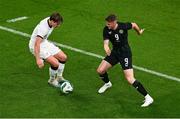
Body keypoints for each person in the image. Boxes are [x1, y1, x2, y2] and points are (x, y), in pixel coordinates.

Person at [97, 14, 153, 107]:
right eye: (107, 23)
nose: (107, 25)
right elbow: (106, 42)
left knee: (130, 78)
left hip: (125, 53)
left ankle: (148, 97)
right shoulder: (106, 29)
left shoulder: (123, 26)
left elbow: (134, 24)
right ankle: (107, 84)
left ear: (115, 22)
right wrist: (106, 47)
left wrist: (139, 32)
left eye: (109, 24)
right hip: (115, 52)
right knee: (100, 70)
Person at [29, 12, 67, 87]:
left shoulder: (51, 20)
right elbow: (36, 44)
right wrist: (38, 59)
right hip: (35, 46)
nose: (58, 26)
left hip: (44, 43)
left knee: (63, 57)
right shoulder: (43, 28)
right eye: (57, 24)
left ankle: (59, 77)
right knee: (55, 63)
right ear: (52, 21)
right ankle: (52, 80)